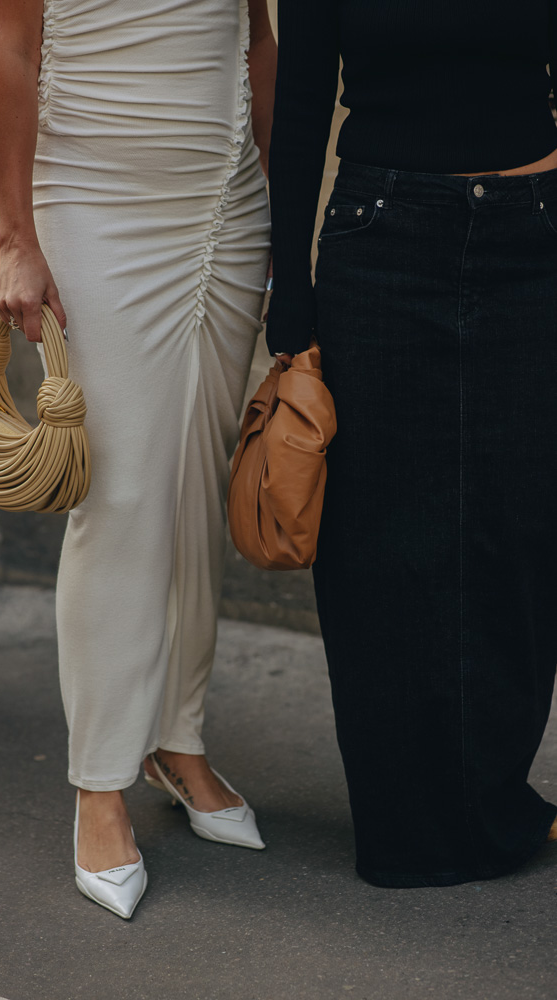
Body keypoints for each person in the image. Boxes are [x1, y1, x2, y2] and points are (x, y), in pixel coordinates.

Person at [0, 0, 275, 917]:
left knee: (193, 487)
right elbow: (10, 56)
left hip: (230, 208)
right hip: (99, 204)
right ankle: (99, 783)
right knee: (122, 494)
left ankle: (175, 742)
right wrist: (16, 241)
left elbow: (254, 35)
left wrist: (276, 187)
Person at [267, 0, 557, 887]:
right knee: (379, 549)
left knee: (517, 532)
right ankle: (405, 824)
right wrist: (291, 296)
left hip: (533, 240)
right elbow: (301, 106)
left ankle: (494, 799)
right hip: (381, 240)